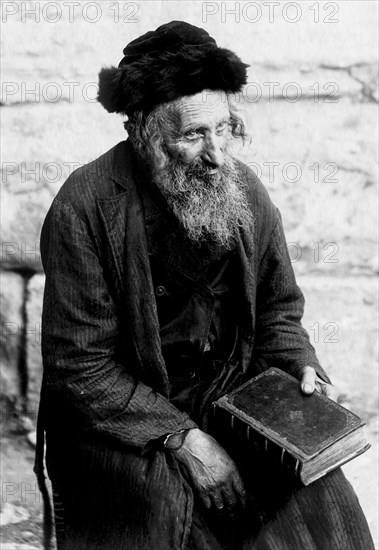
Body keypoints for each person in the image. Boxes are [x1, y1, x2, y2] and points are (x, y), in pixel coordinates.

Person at [35, 20, 374, 550]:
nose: (217, 154)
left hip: (229, 396)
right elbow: (81, 367)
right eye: (193, 135)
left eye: (223, 129)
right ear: (142, 132)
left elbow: (279, 310)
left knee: (320, 507)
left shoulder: (243, 189)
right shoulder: (85, 206)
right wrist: (185, 438)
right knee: (180, 522)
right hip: (129, 418)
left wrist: (299, 365)